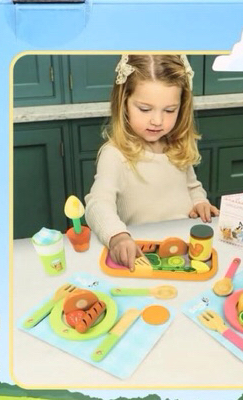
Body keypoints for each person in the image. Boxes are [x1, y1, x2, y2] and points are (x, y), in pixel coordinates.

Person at [84, 54, 218, 270]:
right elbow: (97, 204)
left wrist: (199, 202)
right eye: (145, 109)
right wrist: (117, 236)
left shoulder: (177, 146)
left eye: (170, 110)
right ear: (123, 103)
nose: (157, 121)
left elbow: (192, 187)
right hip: (145, 254)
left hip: (184, 250)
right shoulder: (115, 155)